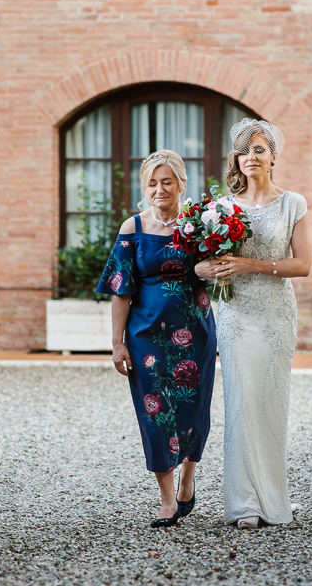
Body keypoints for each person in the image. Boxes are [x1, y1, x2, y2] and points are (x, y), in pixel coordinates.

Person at [194, 119, 312, 529]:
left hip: (277, 314)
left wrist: (250, 264)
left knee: (271, 404)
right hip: (236, 314)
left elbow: (303, 264)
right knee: (241, 403)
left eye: (259, 149)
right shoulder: (222, 208)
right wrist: (210, 268)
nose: (251, 157)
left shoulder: (292, 203)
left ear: (273, 156)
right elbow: (199, 265)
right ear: (236, 159)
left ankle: (272, 498)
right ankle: (244, 504)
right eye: (245, 151)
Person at [96, 149, 217, 528]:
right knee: (155, 414)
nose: (159, 189)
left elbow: (218, 273)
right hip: (145, 335)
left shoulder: (200, 225)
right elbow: (120, 290)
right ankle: (167, 501)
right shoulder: (132, 228)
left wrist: (208, 269)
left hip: (195, 332)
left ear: (182, 183)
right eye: (152, 182)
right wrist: (117, 342)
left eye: (167, 181)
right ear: (143, 187)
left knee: (194, 411)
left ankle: (187, 482)